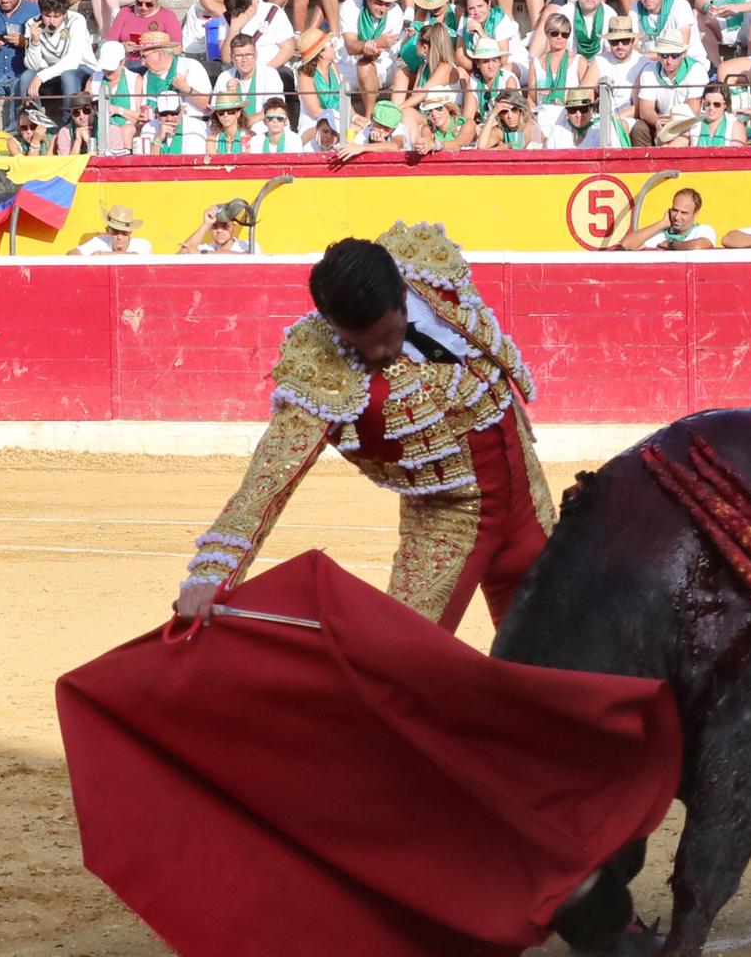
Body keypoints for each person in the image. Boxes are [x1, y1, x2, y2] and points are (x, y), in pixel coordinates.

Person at [172, 225, 557, 636]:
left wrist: (506, 403)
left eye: (388, 334)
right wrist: (213, 571)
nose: (379, 353)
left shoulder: (428, 269)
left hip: (527, 500)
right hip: (446, 525)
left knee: (554, 655)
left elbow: (484, 352)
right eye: (359, 343)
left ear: (404, 296)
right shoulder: (320, 367)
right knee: (399, 667)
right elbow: (269, 478)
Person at [0, 0, 38, 130]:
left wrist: (25, 43)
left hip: (19, 73)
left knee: (21, 87)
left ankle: (14, 136)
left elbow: (46, 47)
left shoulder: (34, 11)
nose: (4, 0)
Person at [620, 186, 716, 249]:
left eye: (684, 213)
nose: (677, 217)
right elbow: (627, 244)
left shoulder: (703, 230)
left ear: (695, 214)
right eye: (675, 210)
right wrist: (662, 224)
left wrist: (670, 245)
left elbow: (697, 246)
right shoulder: (662, 234)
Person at [69, 204, 153, 256]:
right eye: (115, 232)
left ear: (130, 233)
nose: (120, 237)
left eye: (124, 233)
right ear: (107, 231)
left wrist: (100, 254)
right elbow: (71, 254)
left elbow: (136, 256)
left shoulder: (142, 244)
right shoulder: (100, 241)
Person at [178, 201, 254, 253]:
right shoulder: (206, 247)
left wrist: (200, 253)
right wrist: (206, 223)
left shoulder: (246, 245)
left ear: (233, 228)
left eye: (224, 226)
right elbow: (184, 252)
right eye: (215, 226)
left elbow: (242, 256)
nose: (219, 230)